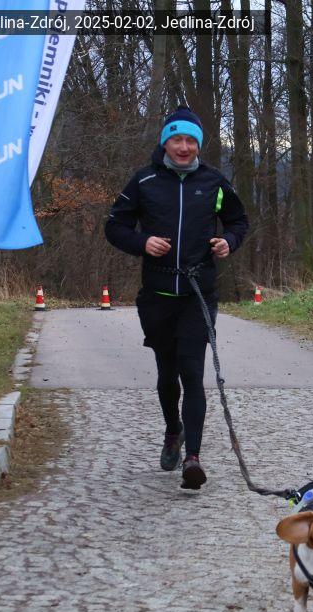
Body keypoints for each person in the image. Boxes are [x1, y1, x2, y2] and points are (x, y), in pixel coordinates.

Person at [105, 106, 249, 490]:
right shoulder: (145, 181)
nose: (184, 147)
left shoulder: (214, 183)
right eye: (177, 140)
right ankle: (174, 430)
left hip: (198, 293)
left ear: (198, 145)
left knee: (193, 374)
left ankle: (193, 459)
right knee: (167, 374)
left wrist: (228, 241)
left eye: (190, 141)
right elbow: (114, 226)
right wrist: (142, 242)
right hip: (157, 295)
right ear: (165, 143)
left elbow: (239, 221)